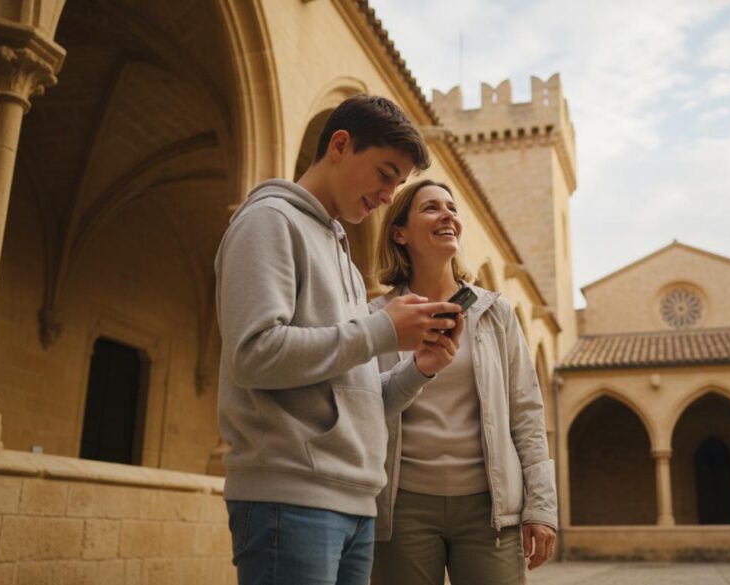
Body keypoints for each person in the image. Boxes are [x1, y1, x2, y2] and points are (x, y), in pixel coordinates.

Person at [215, 95, 466, 585]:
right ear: (341, 145)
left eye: (397, 183)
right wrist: (381, 330)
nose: (387, 194)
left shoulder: (345, 258)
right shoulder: (270, 221)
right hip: (290, 500)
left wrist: (420, 368)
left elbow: (360, 398)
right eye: (385, 173)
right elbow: (252, 355)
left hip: (355, 503)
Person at [369, 179, 558, 585]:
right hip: (402, 509)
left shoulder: (495, 312)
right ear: (399, 233)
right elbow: (367, 403)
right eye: (431, 208)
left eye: (451, 208)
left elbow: (526, 411)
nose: (448, 215)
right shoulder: (378, 316)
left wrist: (541, 506)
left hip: (489, 510)